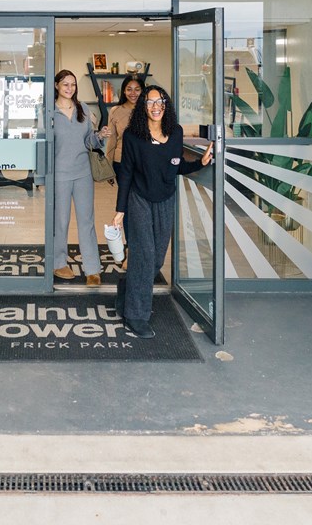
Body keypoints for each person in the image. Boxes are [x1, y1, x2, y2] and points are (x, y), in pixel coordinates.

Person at [111, 85, 213, 338]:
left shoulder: (175, 133)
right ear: (142, 107)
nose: (155, 107)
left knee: (156, 259)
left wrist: (199, 163)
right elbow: (125, 174)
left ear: (166, 105)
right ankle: (136, 316)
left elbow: (175, 167)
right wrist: (120, 210)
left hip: (165, 199)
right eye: (149, 102)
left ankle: (126, 289)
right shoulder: (133, 136)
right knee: (145, 257)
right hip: (139, 199)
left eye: (160, 102)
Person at [53, 69, 111, 287]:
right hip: (59, 175)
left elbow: (89, 142)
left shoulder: (83, 109)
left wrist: (99, 137)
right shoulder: (49, 112)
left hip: (83, 173)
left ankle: (92, 269)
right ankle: (59, 263)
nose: (70, 88)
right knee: (61, 221)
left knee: (87, 221)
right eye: (65, 84)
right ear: (57, 85)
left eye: (73, 85)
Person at [105, 76, 144, 270]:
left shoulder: (148, 109)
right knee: (126, 207)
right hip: (122, 164)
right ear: (123, 91)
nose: (133, 93)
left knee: (142, 207)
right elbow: (111, 142)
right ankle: (129, 251)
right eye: (129, 89)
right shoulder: (116, 111)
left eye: (137, 89)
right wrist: (109, 167)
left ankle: (141, 248)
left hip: (144, 165)